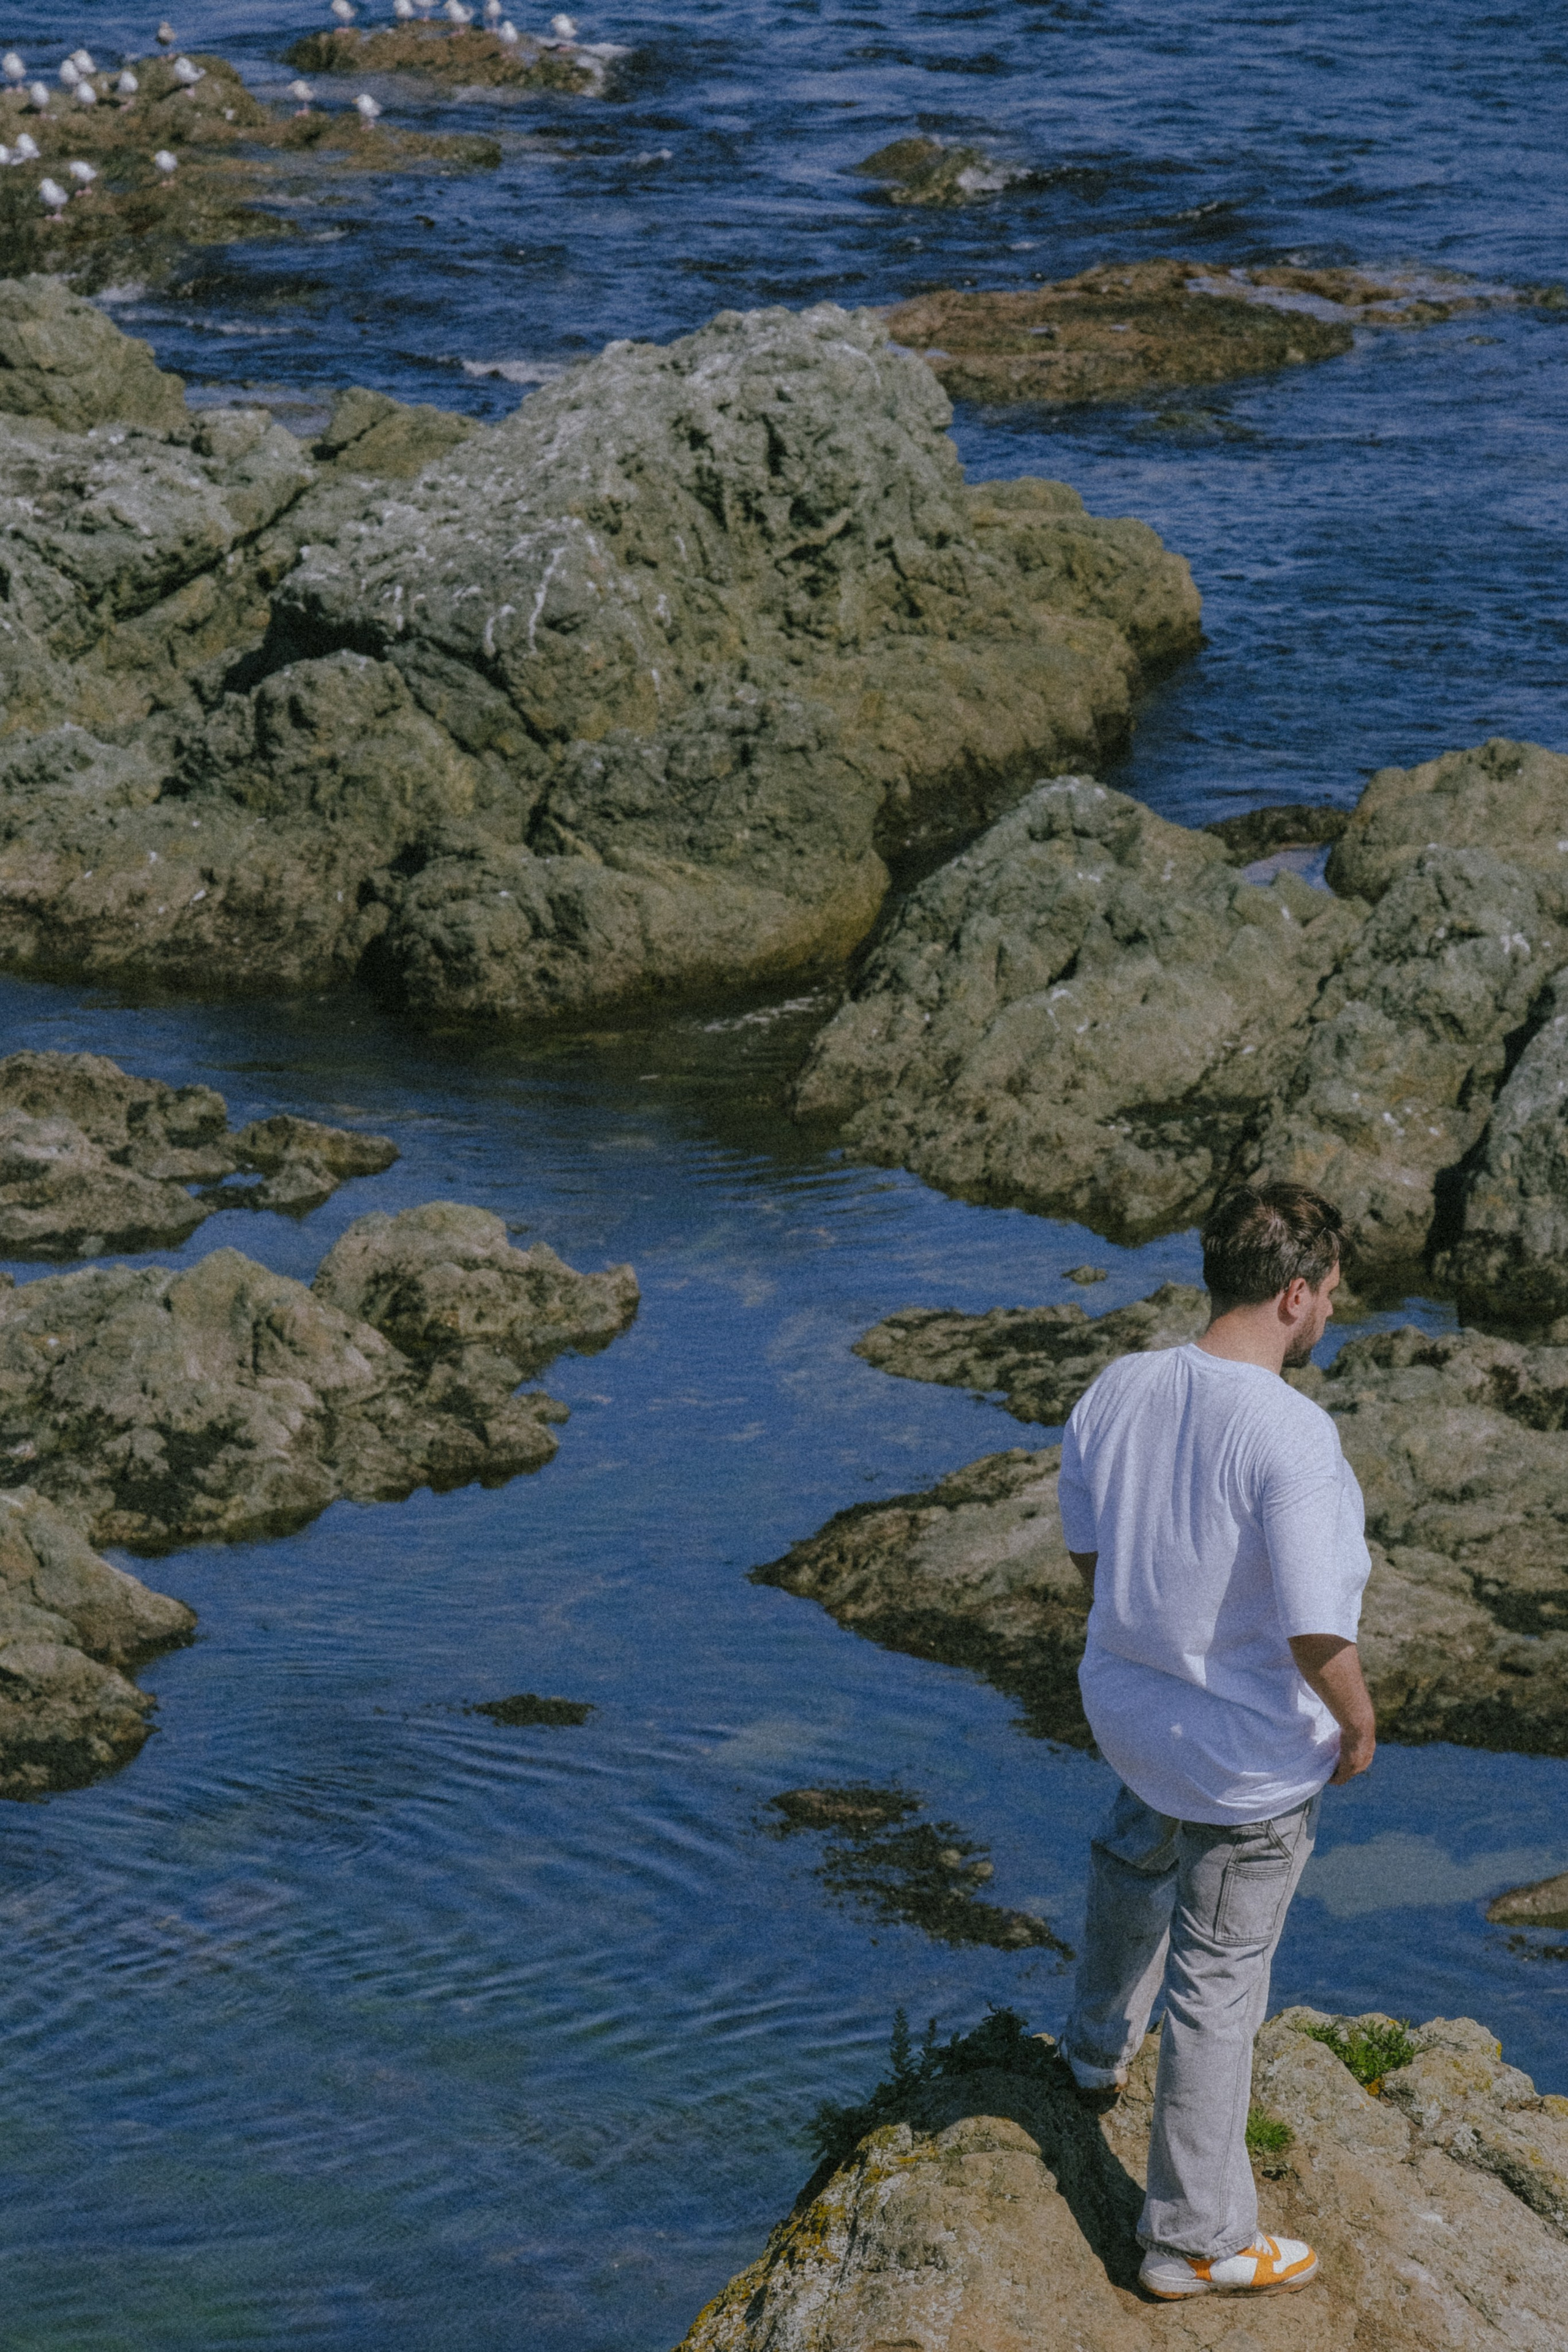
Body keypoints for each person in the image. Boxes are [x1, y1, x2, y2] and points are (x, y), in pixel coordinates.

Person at [1055, 1182, 1375, 2302]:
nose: (1332, 1311)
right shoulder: (1290, 1432)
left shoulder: (1119, 1385)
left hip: (1134, 1716)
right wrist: (1357, 1721)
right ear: (1293, 1293)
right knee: (1220, 1979)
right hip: (1242, 1758)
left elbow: (1090, 1556)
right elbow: (1316, 1628)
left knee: (1134, 1855)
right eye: (1330, 1293)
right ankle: (1194, 2239)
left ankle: (1093, 2052)